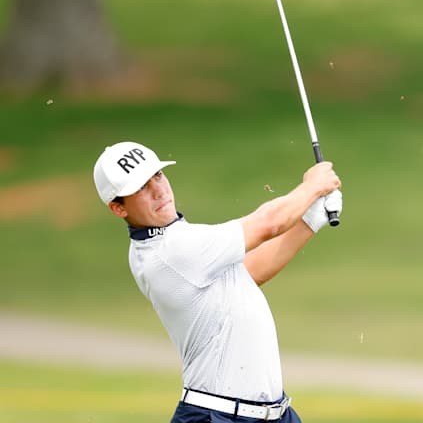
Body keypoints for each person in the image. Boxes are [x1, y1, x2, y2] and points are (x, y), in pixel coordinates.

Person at [93, 141, 342, 423]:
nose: (158, 190)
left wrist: (309, 221)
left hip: (271, 414)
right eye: (140, 188)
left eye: (158, 176)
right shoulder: (172, 249)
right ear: (118, 208)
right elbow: (267, 223)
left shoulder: (174, 243)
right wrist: (313, 186)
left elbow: (249, 272)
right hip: (218, 415)